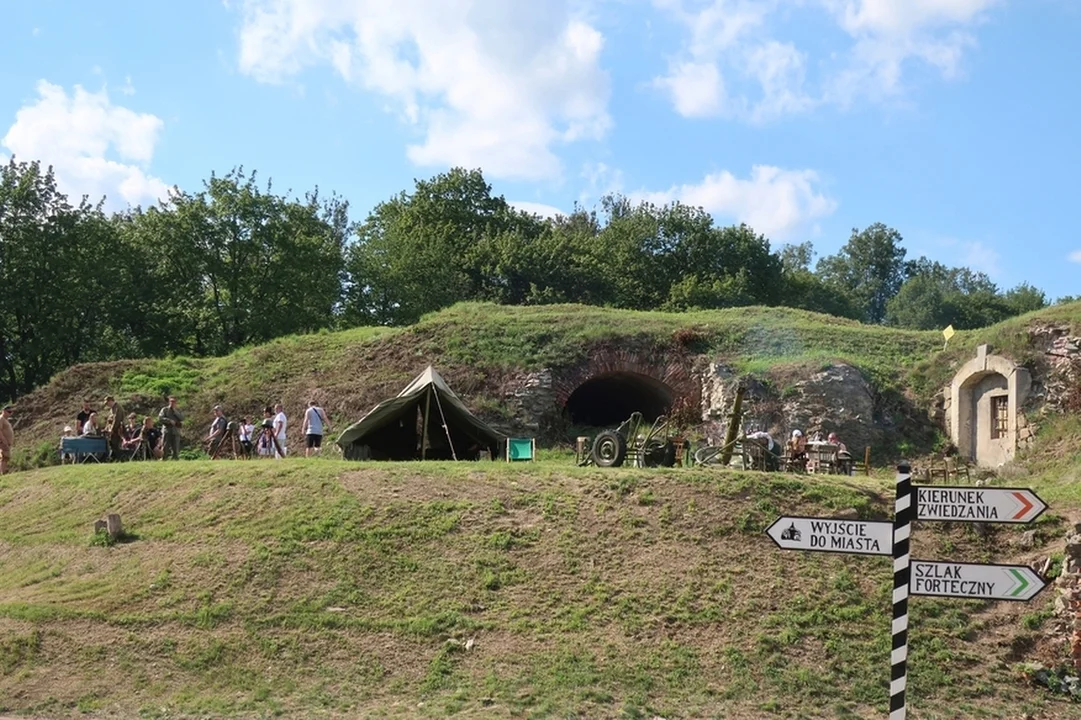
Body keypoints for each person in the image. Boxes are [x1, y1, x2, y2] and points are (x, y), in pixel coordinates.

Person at [158, 395, 183, 461]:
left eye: (174, 401)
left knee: (175, 447)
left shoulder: (178, 411)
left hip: (176, 431)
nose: (172, 403)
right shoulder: (164, 409)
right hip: (167, 430)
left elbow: (182, 418)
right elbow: (160, 418)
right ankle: (164, 458)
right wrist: (169, 421)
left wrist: (175, 411)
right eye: (171, 401)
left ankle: (175, 459)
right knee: (165, 446)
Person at [103, 395, 125, 460]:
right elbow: (109, 420)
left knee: (115, 445)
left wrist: (112, 429)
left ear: (110, 401)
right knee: (112, 445)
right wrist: (106, 428)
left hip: (116, 431)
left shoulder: (118, 408)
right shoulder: (112, 409)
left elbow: (116, 420)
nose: (107, 405)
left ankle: (118, 459)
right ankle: (113, 458)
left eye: (107, 403)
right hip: (112, 431)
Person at [0, 405, 14, 475]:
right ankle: (3, 471)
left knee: (6, 457)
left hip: (6, 442)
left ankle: (4, 470)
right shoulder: (1, 419)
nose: (10, 413)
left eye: (11, 412)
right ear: (4, 411)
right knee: (4, 456)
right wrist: (3, 440)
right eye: (9, 412)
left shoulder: (5, 419)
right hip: (3, 442)